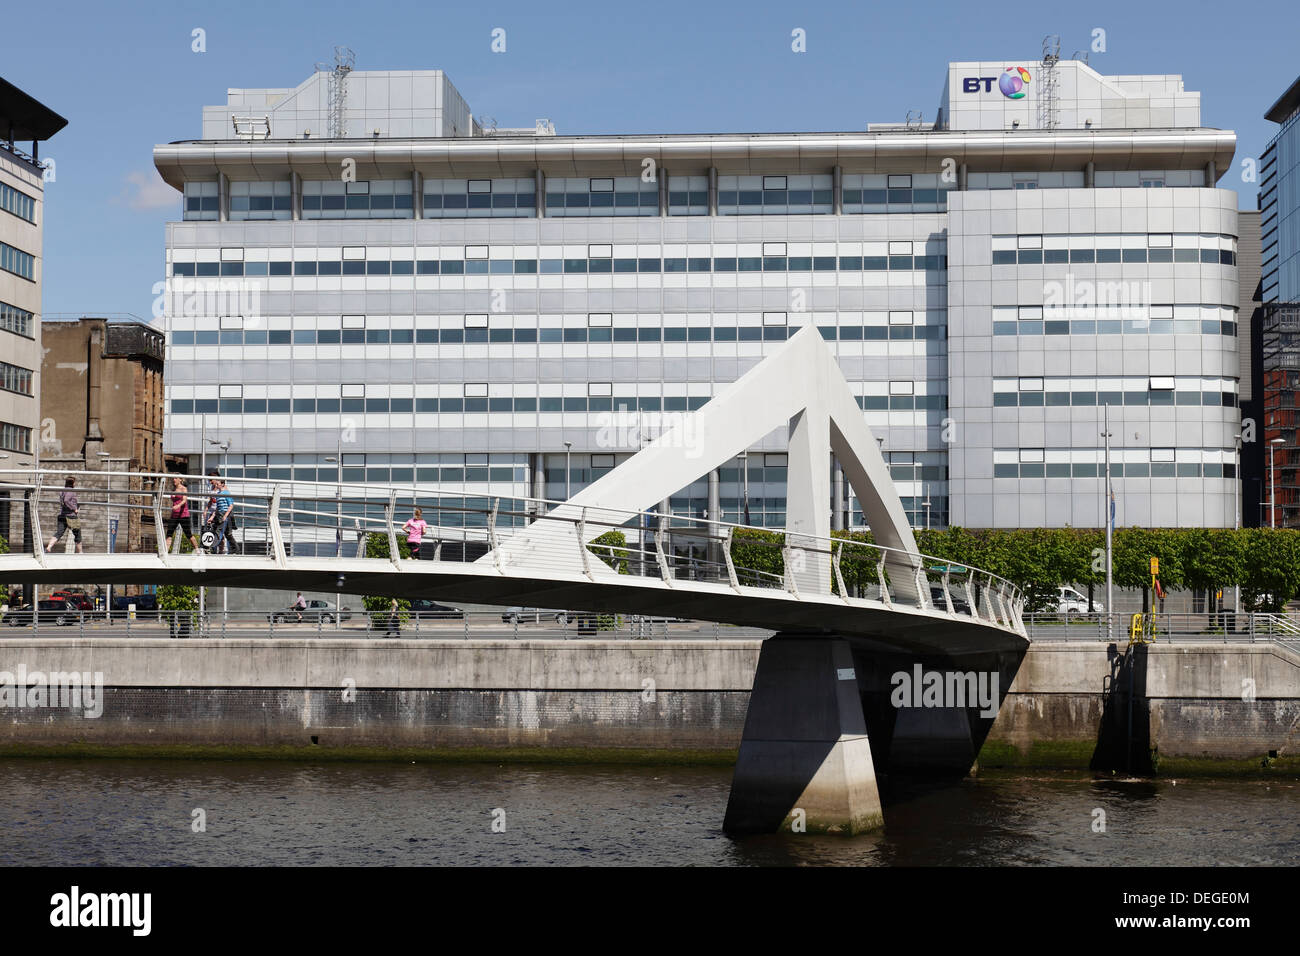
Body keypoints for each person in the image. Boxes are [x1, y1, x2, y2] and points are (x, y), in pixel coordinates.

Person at [47, 477, 84, 554]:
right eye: (74, 482)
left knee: (59, 533)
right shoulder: (71, 491)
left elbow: (63, 501)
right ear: (72, 483)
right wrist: (74, 508)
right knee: (78, 535)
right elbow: (66, 500)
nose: (75, 484)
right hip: (71, 516)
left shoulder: (62, 491)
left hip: (62, 515)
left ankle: (49, 547)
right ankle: (80, 552)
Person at [164, 475, 200, 553]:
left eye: (176, 478)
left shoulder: (184, 488)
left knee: (188, 534)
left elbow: (184, 500)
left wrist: (178, 505)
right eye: (173, 478)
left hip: (183, 514)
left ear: (180, 479)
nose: (174, 479)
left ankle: (197, 549)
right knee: (169, 534)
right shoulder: (173, 489)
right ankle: (165, 552)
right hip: (174, 515)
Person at [203, 471, 234, 553]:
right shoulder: (211, 488)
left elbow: (228, 502)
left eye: (211, 480)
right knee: (211, 531)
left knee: (220, 532)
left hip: (219, 512)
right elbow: (210, 501)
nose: (210, 482)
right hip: (212, 512)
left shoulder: (223, 488)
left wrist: (217, 514)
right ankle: (212, 549)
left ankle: (221, 550)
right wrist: (206, 509)